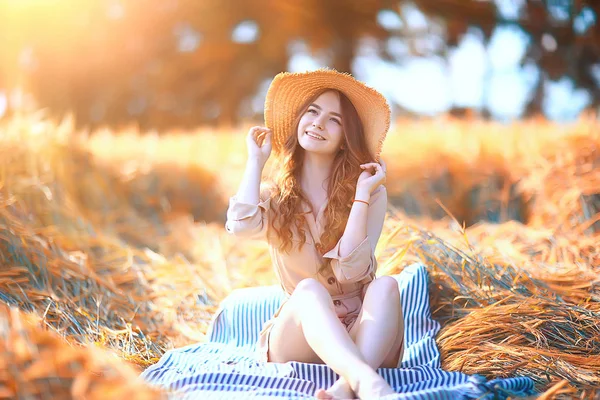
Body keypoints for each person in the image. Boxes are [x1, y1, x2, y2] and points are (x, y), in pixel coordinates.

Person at [225, 69, 404, 400]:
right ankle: (366, 383)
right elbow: (240, 226)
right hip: (300, 334)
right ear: (298, 121)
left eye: (334, 119)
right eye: (312, 111)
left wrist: (361, 196)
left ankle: (343, 389)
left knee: (387, 285)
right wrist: (255, 162)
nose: (318, 123)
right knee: (309, 291)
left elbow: (351, 271)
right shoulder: (275, 193)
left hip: (362, 332)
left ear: (345, 138)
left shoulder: (371, 193)